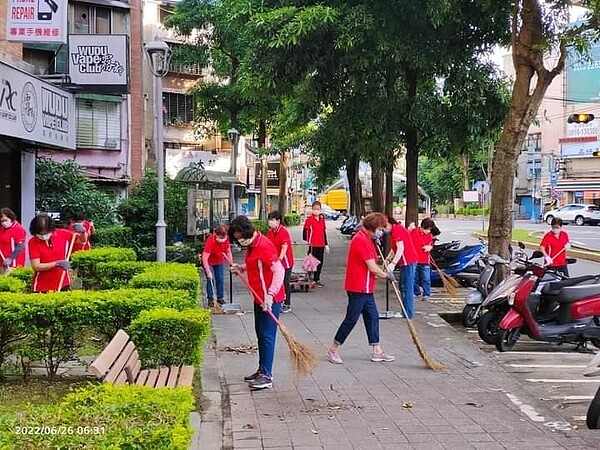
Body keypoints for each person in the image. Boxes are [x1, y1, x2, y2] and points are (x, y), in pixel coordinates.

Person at [326, 212, 395, 364]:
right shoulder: (361, 241)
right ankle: (333, 349)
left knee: (372, 316)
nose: (381, 232)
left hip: (366, 288)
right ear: (373, 227)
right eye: (380, 229)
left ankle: (377, 350)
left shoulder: (369, 239)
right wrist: (386, 275)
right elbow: (372, 267)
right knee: (351, 319)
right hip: (358, 288)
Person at [228, 216, 285, 390]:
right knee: (260, 334)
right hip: (258, 297)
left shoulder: (264, 245)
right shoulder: (252, 246)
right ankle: (262, 370)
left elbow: (279, 271)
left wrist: (270, 295)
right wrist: (241, 267)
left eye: (239, 237)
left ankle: (267, 375)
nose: (239, 241)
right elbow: (255, 264)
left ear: (246, 231)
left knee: (267, 335)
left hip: (271, 299)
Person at [28, 213, 86, 293]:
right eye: (40, 233)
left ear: (51, 229)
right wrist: (56, 264)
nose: (43, 236)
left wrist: (83, 232)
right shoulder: (33, 242)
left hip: (63, 282)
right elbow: (36, 266)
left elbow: (82, 240)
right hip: (41, 286)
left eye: (45, 233)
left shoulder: (62, 234)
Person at [384, 216, 418, 318]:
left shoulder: (397, 230)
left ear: (390, 223)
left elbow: (400, 249)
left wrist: (393, 264)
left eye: (385, 226)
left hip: (408, 261)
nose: (384, 229)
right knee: (402, 287)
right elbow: (394, 249)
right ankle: (405, 311)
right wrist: (387, 259)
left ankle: (408, 313)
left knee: (407, 288)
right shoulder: (394, 230)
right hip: (404, 262)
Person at [266, 211, 294, 314]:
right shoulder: (270, 233)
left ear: (278, 221)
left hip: (285, 262)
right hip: (274, 262)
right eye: (270, 219)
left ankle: (287, 303)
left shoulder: (283, 232)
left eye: (273, 219)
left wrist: (280, 259)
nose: (271, 222)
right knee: (277, 282)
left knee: (285, 282)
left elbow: (284, 247)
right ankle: (279, 300)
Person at [201, 225, 233, 307]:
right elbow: (204, 257)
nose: (222, 239)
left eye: (224, 237)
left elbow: (228, 252)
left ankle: (220, 298)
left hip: (219, 261)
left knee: (220, 279)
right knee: (210, 279)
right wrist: (208, 272)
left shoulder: (226, 239)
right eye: (220, 237)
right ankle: (210, 299)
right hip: (209, 262)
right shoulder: (211, 240)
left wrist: (231, 264)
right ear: (216, 234)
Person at [303, 200, 329, 287]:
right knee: (311, 262)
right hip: (312, 244)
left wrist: (326, 244)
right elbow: (305, 232)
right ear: (312, 209)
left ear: (320, 209)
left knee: (320, 262)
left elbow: (323, 232)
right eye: (314, 209)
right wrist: (308, 242)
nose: (316, 210)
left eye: (318, 209)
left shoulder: (322, 220)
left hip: (321, 244)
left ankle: (317, 279)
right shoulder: (309, 220)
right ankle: (309, 278)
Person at [411, 217, 435, 301]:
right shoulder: (413, 233)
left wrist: (430, 247)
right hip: (414, 260)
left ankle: (426, 294)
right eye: (427, 229)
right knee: (414, 278)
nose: (428, 231)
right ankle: (416, 292)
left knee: (426, 278)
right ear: (422, 227)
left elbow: (431, 244)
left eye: (430, 229)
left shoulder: (429, 235)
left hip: (425, 261)